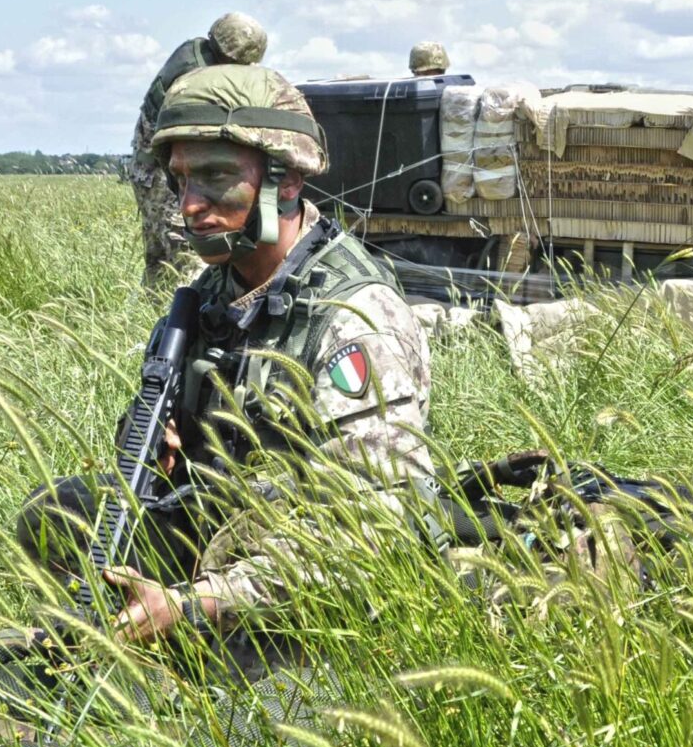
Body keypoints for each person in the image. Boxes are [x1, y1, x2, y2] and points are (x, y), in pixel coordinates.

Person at [22, 60, 433, 643]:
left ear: (285, 180)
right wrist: (153, 449)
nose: (190, 205)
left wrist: (195, 604)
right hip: (225, 530)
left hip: (315, 582)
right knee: (56, 516)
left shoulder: (353, 317)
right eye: (181, 180)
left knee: (219, 716)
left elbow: (377, 529)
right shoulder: (215, 291)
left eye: (215, 177)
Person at [130, 13, 269, 286]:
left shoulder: (194, 53)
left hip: (150, 167)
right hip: (167, 171)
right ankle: (184, 311)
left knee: (159, 252)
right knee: (185, 248)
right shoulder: (196, 76)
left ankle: (157, 310)